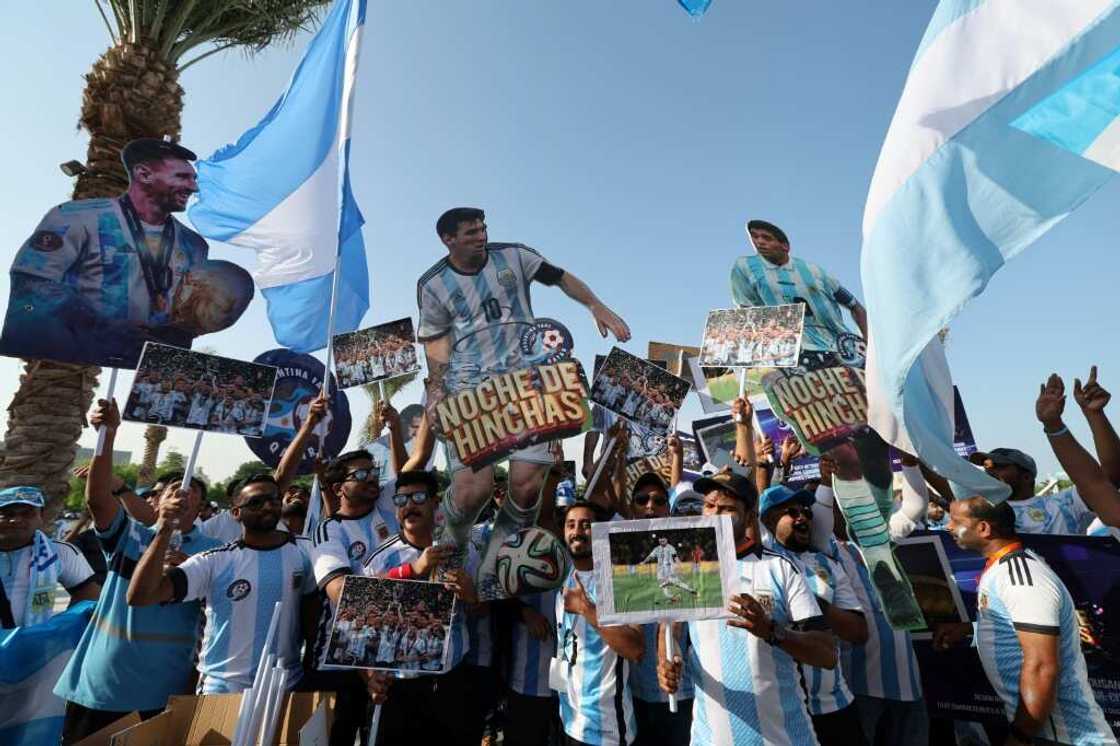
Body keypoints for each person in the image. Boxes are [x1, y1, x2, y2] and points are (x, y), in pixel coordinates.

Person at [417, 206, 630, 591]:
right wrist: (435, 390)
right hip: (470, 388)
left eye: (482, 229)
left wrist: (595, 304)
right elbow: (435, 341)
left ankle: (496, 572)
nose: (481, 237)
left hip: (526, 381)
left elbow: (560, 277)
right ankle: (446, 554)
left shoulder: (513, 256)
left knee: (527, 486)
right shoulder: (433, 284)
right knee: (473, 491)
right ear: (448, 239)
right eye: (470, 233)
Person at [56, 399, 222, 743]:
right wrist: (108, 434)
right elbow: (98, 499)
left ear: (202, 508)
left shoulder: (215, 552)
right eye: (171, 491)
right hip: (103, 684)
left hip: (167, 688)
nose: (182, 496)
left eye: (192, 492)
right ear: (154, 502)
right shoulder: (129, 536)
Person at [1, 138, 226, 366]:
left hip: (142, 370)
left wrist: (186, 330)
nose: (193, 187)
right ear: (144, 174)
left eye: (193, 179)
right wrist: (103, 327)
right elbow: (33, 282)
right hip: (70, 363)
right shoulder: (75, 217)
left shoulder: (194, 245)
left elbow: (191, 311)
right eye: (182, 177)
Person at [658, 471, 837, 746]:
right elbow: (670, 629)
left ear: (750, 516)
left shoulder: (779, 567)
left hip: (784, 738)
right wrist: (669, 660)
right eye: (709, 506)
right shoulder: (686, 570)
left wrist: (772, 631)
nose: (715, 515)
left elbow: (827, 653)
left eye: (727, 509)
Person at [935, 497, 1116, 746]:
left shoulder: (1020, 577)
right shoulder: (1003, 570)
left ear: (984, 528)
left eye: (956, 521)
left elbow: (1042, 666)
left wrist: (1020, 736)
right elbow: (1018, 632)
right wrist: (970, 630)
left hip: (1066, 737)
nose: (948, 526)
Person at [125, 473, 318, 693]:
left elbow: (312, 621)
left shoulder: (307, 552)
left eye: (273, 499)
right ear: (236, 513)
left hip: (285, 686)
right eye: (255, 502)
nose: (267, 506)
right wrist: (165, 529)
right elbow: (141, 595)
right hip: (221, 688)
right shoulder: (214, 561)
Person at [359, 470, 480, 746]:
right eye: (401, 500)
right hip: (399, 687)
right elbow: (360, 625)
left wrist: (472, 595)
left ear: (435, 502)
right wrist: (369, 676)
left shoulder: (464, 551)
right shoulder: (381, 559)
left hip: (452, 681)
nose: (409, 506)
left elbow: (481, 612)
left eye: (418, 498)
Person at [758, 485, 868, 746]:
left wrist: (815, 604)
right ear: (769, 521)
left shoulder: (827, 564)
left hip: (836, 706)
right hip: (783, 712)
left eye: (806, 512)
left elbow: (859, 632)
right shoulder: (761, 566)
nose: (802, 518)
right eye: (792, 512)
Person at [556, 501, 644, 746]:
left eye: (586, 525)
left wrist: (587, 609)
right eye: (571, 525)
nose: (577, 531)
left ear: (601, 531)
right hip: (569, 719)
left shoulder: (618, 580)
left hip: (606, 730)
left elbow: (636, 649)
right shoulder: (563, 576)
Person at [730, 219, 867, 355]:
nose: (759, 241)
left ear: (785, 246)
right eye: (755, 236)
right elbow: (746, 313)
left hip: (842, 351)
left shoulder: (814, 271)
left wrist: (868, 343)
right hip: (793, 353)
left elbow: (856, 306)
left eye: (767, 238)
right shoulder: (745, 267)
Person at [628, 472, 694, 746]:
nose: (650, 506)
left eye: (658, 500)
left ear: (668, 508)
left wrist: (670, 651)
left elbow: (674, 623)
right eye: (642, 499)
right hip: (635, 693)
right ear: (631, 508)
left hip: (680, 689)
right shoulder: (619, 555)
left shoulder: (686, 550)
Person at [0, 486, 100, 629]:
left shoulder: (60, 552)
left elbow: (89, 594)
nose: (16, 520)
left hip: (35, 641)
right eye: (6, 514)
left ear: (41, 517)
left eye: (27, 513)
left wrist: (58, 628)